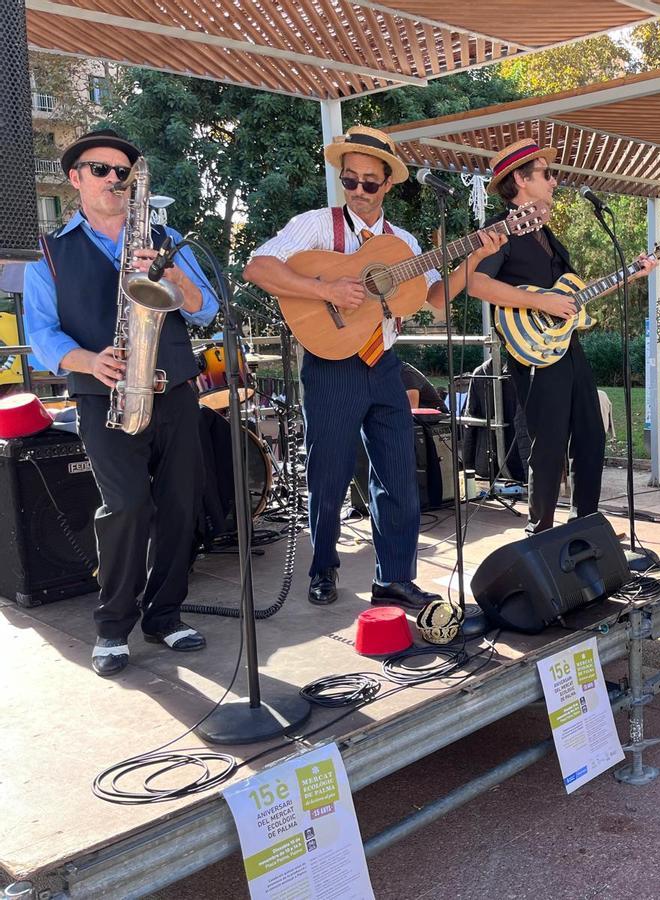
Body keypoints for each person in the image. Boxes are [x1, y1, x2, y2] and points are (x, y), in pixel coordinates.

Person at [243, 125, 504, 607]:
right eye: (351, 181)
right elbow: (258, 267)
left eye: (369, 182)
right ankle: (323, 568)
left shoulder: (401, 243)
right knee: (329, 472)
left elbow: (437, 301)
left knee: (398, 472)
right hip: (330, 364)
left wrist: (475, 256)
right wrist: (327, 291)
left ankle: (395, 578)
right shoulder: (317, 224)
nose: (359, 192)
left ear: (388, 185)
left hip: (383, 363)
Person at [22, 129, 219, 677]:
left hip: (174, 390)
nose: (114, 179)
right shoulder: (48, 253)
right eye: (101, 170)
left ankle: (166, 615)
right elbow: (41, 335)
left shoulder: (165, 236)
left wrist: (174, 271)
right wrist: (89, 361)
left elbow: (203, 311)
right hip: (101, 394)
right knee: (128, 505)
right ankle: (113, 625)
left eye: (122, 172)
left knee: (182, 506)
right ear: (75, 178)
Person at [470, 138, 657, 534]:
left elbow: (569, 298)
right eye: (546, 173)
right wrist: (540, 305)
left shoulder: (547, 235)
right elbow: (477, 284)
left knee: (591, 430)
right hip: (533, 351)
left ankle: (585, 520)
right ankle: (541, 529)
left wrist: (631, 272)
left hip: (566, 345)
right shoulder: (500, 231)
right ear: (520, 179)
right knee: (549, 441)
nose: (554, 181)